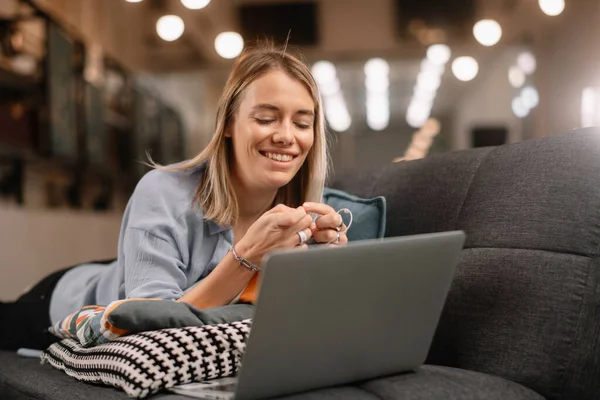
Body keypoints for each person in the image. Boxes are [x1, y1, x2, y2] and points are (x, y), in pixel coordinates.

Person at [0, 43, 348, 351]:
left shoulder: (305, 216)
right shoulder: (163, 191)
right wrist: (245, 258)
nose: (287, 136)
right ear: (227, 124)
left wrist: (328, 267)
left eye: (302, 124)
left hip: (134, 272)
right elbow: (152, 328)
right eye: (267, 118)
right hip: (68, 299)